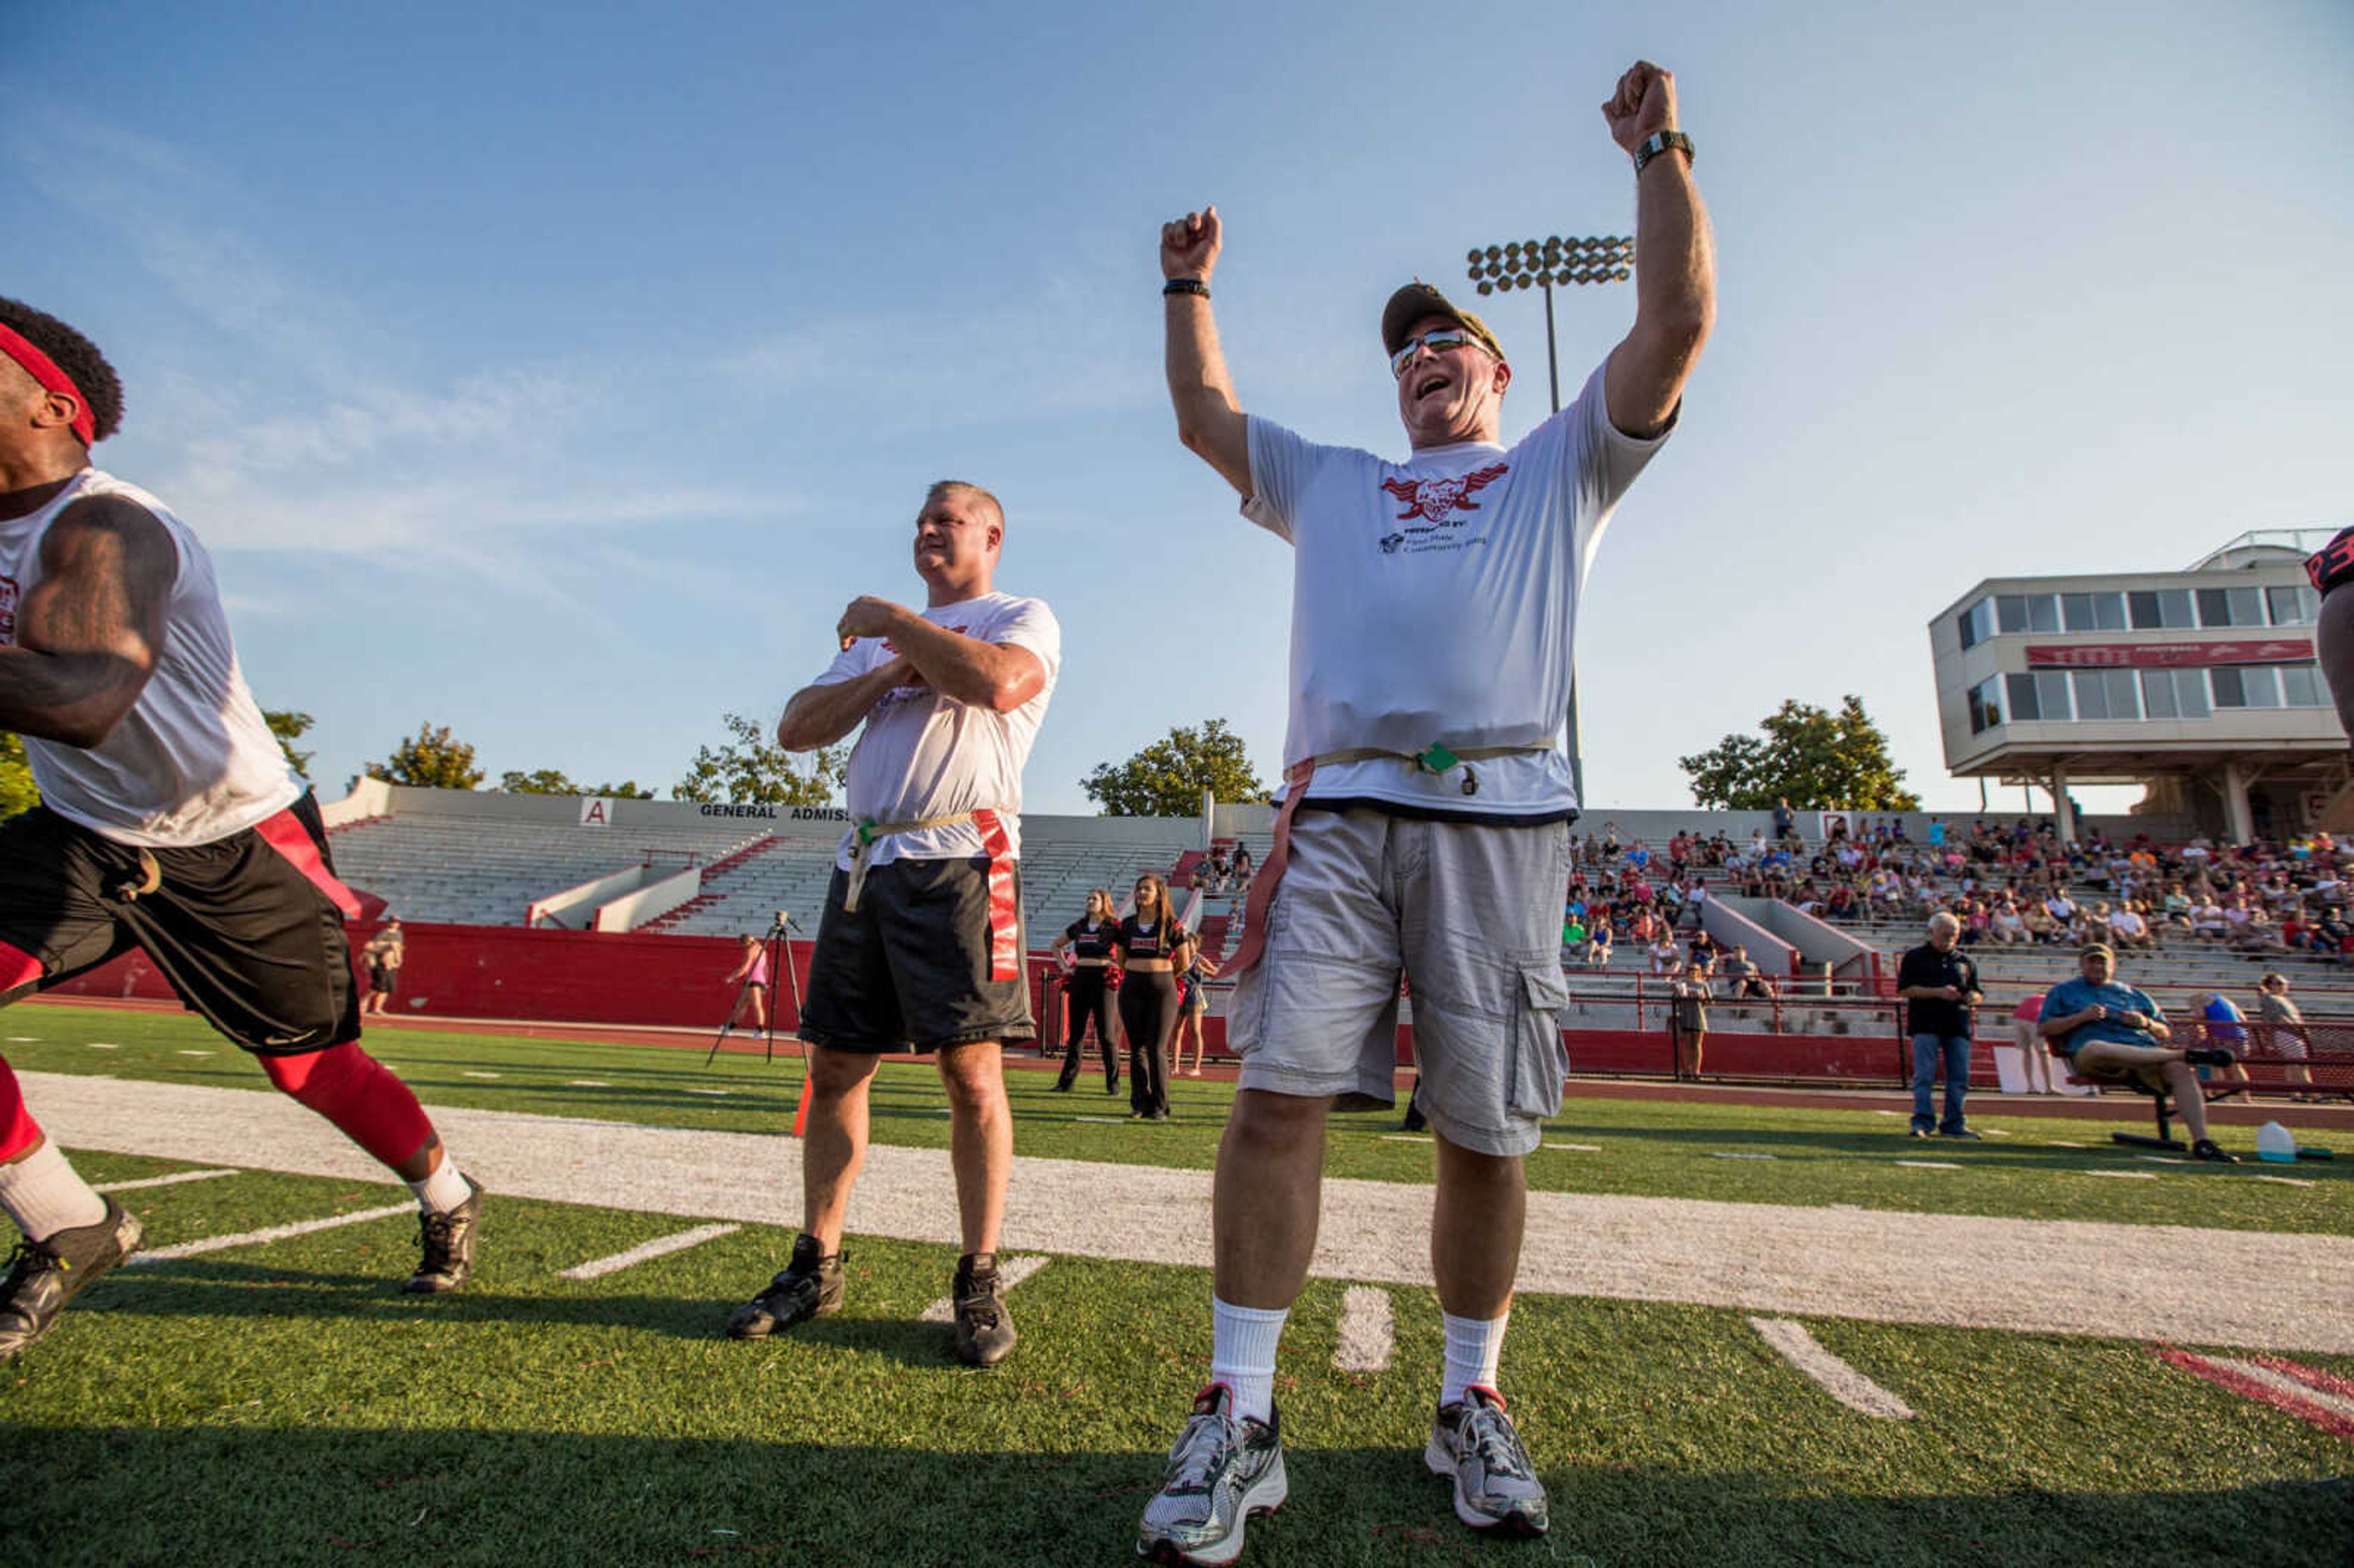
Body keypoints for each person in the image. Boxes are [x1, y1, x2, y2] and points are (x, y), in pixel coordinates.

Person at [1142, 56, 1712, 1562]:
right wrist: (1186, 288)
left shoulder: (1555, 468)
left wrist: (1656, 148)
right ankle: (1241, 1411)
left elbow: (1673, 327)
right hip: (1335, 820)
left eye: (1447, 342)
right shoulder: (1329, 478)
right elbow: (1205, 415)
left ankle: (1468, 1398)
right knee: (1273, 1104)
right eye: (1402, 353)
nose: (1421, 360)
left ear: (1501, 373)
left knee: (1483, 1128)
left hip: (1503, 821)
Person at [0, 296, 483, 1360]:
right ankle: (67, 1220)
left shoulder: (108, 524)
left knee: (310, 1068)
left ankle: (447, 1189)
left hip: (234, 840)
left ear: (53, 405)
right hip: (83, 829)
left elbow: (82, 694)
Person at [723, 480, 1059, 1369]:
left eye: (946, 520)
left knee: (971, 1072)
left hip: (963, 859)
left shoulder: (1020, 613)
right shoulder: (879, 645)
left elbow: (994, 684)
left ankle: (979, 1275)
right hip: (866, 861)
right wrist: (885, 664)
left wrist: (893, 620)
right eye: (920, 521)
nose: (927, 531)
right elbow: (798, 727)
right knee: (834, 1063)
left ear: (992, 534)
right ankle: (816, 1263)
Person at [2038, 945, 2238, 1162]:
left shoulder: (2134, 994)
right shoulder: (2063, 991)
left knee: (2180, 1070)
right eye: (2092, 962)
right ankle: (2184, 1054)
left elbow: (2164, 1032)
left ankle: (2202, 1142)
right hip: (2095, 1056)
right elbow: (2045, 1028)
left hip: (2144, 1053)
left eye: (2102, 962)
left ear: (2113, 965)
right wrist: (2080, 1018)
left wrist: (2146, 1023)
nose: (2097, 966)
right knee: (2097, 1048)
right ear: (2082, 965)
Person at [1896, 912, 1983, 1139]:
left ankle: (1954, 1123)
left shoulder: (1965, 962)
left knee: (1959, 1077)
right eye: (1944, 934)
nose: (1949, 939)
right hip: (1925, 1023)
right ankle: (1922, 1121)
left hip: (1957, 1024)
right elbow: (1905, 989)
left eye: (1953, 935)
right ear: (1931, 933)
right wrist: (1938, 993)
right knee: (1925, 1075)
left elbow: (1977, 991)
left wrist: (1972, 998)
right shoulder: (1915, 958)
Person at [1114, 872, 1192, 1119]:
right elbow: (1121, 959)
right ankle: (1139, 1104)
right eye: (1139, 889)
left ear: (1159, 895)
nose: (1142, 893)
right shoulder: (1126, 925)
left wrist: (1164, 976)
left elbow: (1184, 962)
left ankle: (1160, 1106)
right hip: (1132, 988)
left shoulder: (1172, 925)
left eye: (1147, 889)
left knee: (1157, 1048)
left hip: (1162, 990)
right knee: (1137, 1048)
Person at [1048, 888, 1121, 1094]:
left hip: (1104, 980)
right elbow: (1056, 945)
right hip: (1081, 978)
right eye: (1088, 898)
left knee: (1106, 1034)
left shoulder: (1114, 926)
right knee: (1076, 1034)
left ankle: (1113, 1084)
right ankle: (1066, 1083)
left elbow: (1128, 948)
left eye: (1094, 899)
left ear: (1104, 902)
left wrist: (1118, 965)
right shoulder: (1079, 926)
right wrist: (1065, 968)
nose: (1090, 901)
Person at [2253, 972, 2316, 1095]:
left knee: (2292, 1063)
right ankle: (2313, 1093)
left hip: (2289, 1033)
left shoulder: (2280, 999)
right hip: (2287, 1033)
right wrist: (2298, 1031)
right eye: (2280, 983)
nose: (2284, 986)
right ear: (2271, 986)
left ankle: (2296, 1092)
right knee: (2301, 1063)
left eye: (2284, 983)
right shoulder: (2270, 998)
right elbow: (2279, 1018)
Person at [1173, 945, 1222, 1078]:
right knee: (1176, 1031)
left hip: (1194, 995)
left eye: (1191, 944)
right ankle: (1175, 1066)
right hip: (1178, 995)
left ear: (1196, 944)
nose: (1189, 947)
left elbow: (1217, 973)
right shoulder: (1179, 957)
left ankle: (1196, 1067)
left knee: (1195, 1031)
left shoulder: (1199, 958)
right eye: (1186, 944)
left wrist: (1203, 969)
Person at [720, 932, 771, 1036]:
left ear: (746, 943)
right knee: (742, 1005)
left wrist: (732, 977)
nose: (742, 947)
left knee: (756, 1005)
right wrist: (765, 981)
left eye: (742, 945)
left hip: (754, 981)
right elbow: (766, 967)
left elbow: (745, 968)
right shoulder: (762, 949)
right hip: (757, 980)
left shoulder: (750, 951)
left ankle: (760, 1030)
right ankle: (730, 1028)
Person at [1669, 962, 1711, 1081]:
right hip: (1685, 1015)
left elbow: (1710, 1001)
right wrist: (1679, 994)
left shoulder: (1703, 984)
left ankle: (1697, 1070)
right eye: (1691, 970)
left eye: (1696, 970)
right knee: (1687, 1045)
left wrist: (1704, 999)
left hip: (1698, 1016)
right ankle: (1687, 1070)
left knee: (1697, 1045)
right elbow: (1675, 999)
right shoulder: (1682, 983)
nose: (1694, 972)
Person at [2009, 992, 2056, 1095]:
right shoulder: (2055, 1000)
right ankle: (2049, 1087)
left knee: (2027, 1052)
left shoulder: (2037, 997)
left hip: (2018, 1017)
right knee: (2043, 1053)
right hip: (2034, 1018)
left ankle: (2031, 1086)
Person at [360, 915, 406, 1017]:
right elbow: (371, 945)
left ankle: (378, 1008)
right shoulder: (383, 933)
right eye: (393, 922)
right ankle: (363, 1002)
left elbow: (399, 947)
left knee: (388, 988)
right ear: (389, 922)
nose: (395, 924)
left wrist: (398, 959)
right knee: (378, 986)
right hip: (381, 963)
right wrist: (388, 945)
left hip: (392, 963)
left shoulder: (399, 934)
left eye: (397, 922)